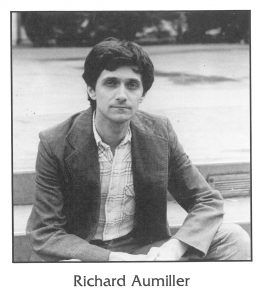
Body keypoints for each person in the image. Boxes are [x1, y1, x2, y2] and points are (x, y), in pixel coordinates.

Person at [26, 38, 250, 261]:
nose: (122, 94)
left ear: (142, 95)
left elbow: (206, 200)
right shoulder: (55, 142)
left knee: (233, 237)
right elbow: (46, 232)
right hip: (89, 257)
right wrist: (112, 259)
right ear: (92, 90)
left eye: (132, 85)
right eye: (111, 83)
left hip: (146, 251)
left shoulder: (160, 133)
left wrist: (176, 247)